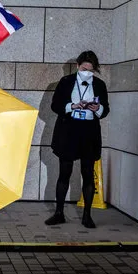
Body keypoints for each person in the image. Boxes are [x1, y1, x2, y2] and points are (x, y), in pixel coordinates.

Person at [45, 50, 109, 229]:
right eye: (84, 68)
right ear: (78, 66)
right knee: (64, 172)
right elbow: (55, 105)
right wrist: (72, 105)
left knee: (88, 174)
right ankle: (59, 213)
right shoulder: (66, 82)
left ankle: (87, 215)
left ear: (95, 70)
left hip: (89, 133)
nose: (86, 72)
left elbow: (105, 110)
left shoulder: (100, 85)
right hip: (68, 130)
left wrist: (97, 108)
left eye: (90, 69)